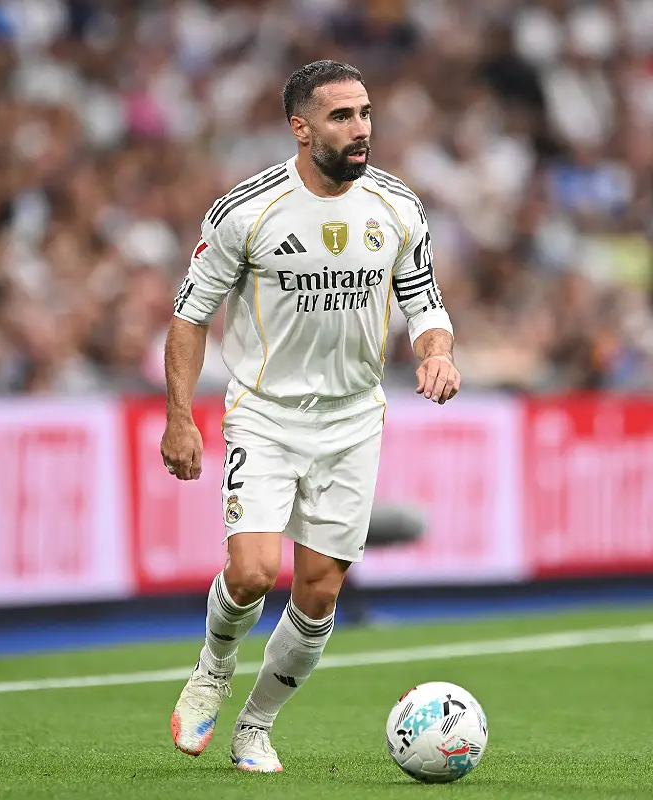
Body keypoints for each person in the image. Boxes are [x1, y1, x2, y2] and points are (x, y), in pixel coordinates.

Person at [161, 60, 460, 773]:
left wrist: (437, 352)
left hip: (355, 418)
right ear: (300, 128)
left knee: (320, 589)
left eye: (364, 114)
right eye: (341, 117)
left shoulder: (397, 207)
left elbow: (425, 299)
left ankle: (255, 727)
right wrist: (179, 417)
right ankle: (212, 670)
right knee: (254, 571)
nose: (360, 130)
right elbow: (189, 314)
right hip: (265, 413)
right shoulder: (246, 209)